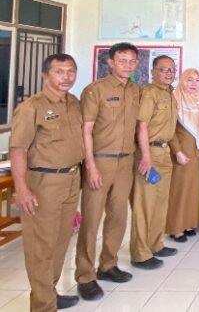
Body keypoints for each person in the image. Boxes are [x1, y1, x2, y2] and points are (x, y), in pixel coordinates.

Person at [10, 54, 83, 311]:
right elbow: (18, 149)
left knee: (61, 241)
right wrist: (21, 188)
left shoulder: (74, 103)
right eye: (59, 72)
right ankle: (42, 305)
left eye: (71, 71)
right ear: (45, 75)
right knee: (41, 246)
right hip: (43, 183)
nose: (66, 77)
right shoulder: (32, 107)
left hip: (71, 179)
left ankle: (49, 292)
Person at [75, 43, 139, 301]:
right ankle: (85, 276)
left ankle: (108, 264)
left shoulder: (135, 90)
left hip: (125, 162)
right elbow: (86, 130)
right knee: (91, 221)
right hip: (100, 162)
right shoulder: (95, 90)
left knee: (118, 216)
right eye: (122, 60)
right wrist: (90, 165)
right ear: (110, 62)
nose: (128, 65)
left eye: (132, 61)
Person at [130, 55, 179, 270]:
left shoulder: (169, 93)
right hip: (149, 152)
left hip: (164, 152)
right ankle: (140, 253)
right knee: (145, 205)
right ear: (153, 72)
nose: (169, 73)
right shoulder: (149, 93)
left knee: (160, 202)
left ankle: (155, 244)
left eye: (172, 69)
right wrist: (146, 156)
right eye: (164, 69)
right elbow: (141, 125)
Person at [165, 68, 199, 242]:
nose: (193, 84)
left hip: (198, 150)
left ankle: (189, 223)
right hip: (182, 152)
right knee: (179, 190)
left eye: (197, 80)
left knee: (193, 189)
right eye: (189, 80)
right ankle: (176, 228)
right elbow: (170, 129)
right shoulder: (175, 98)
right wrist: (177, 151)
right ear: (182, 81)